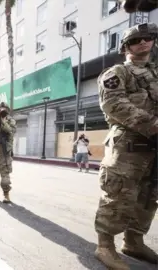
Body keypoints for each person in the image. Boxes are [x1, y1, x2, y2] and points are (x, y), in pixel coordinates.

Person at [94, 22, 158, 269]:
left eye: (147, 37)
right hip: (128, 146)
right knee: (117, 195)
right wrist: (153, 123)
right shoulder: (117, 73)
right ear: (125, 47)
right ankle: (104, 246)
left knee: (148, 197)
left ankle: (134, 241)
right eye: (135, 40)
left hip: (153, 147)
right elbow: (114, 105)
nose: (142, 42)